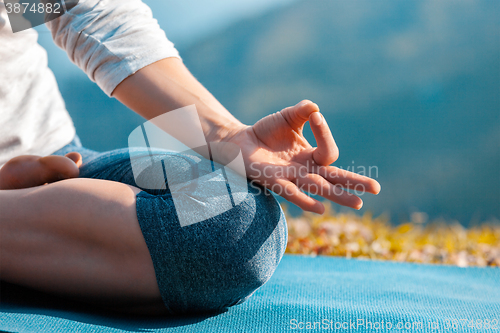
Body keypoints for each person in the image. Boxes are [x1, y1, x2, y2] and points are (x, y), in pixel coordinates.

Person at [0, 0, 380, 315]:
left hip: (58, 154)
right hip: (38, 174)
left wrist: (225, 136)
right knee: (223, 243)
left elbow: (70, 7)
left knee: (231, 217)